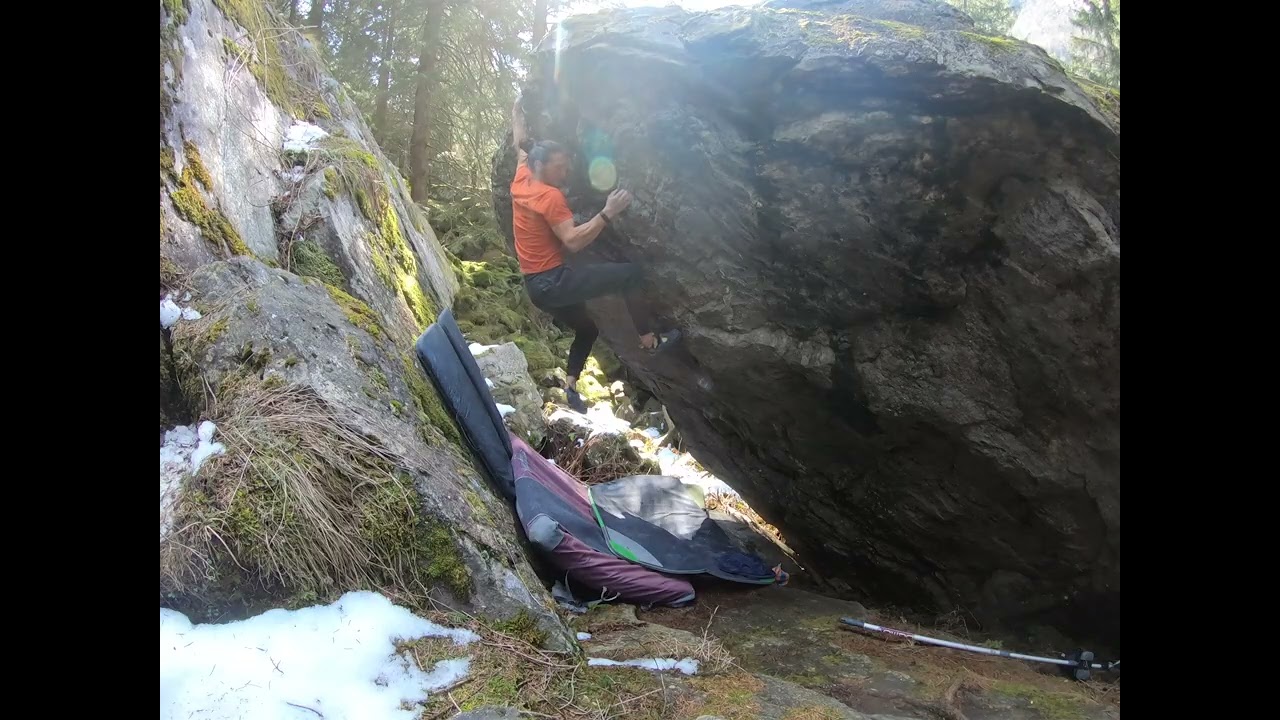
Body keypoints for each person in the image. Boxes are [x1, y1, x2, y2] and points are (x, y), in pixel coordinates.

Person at [509, 98, 680, 413]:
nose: (566, 171)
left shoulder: (522, 176)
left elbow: (519, 144)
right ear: (542, 166)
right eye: (560, 166)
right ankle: (649, 340)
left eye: (567, 165)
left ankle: (570, 386)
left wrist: (517, 112)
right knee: (630, 274)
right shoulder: (549, 197)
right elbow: (573, 241)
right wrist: (608, 212)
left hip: (536, 288)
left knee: (588, 329)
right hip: (554, 282)